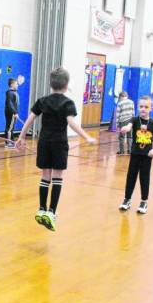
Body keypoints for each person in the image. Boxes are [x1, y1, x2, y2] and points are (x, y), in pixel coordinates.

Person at [16, 67, 97, 231]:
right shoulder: (68, 103)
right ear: (66, 85)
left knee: (45, 175)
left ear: (51, 84)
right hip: (59, 143)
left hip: (44, 142)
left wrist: (21, 137)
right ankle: (51, 212)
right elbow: (71, 122)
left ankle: (41, 209)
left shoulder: (43, 101)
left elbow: (30, 119)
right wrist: (86, 136)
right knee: (58, 176)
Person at [118, 95, 153, 214]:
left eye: (146, 107)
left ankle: (144, 201)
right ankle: (127, 199)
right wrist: (126, 128)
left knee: (144, 178)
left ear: (151, 108)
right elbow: (129, 125)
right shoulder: (135, 119)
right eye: (141, 106)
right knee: (131, 177)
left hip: (147, 156)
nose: (143, 109)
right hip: (135, 154)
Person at [4, 78, 20, 149]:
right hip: (11, 113)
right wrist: (15, 112)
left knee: (11, 127)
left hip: (13, 112)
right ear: (12, 84)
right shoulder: (10, 93)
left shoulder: (13, 92)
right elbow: (10, 104)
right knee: (9, 128)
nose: (17, 85)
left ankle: (12, 141)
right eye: (16, 84)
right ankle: (8, 143)